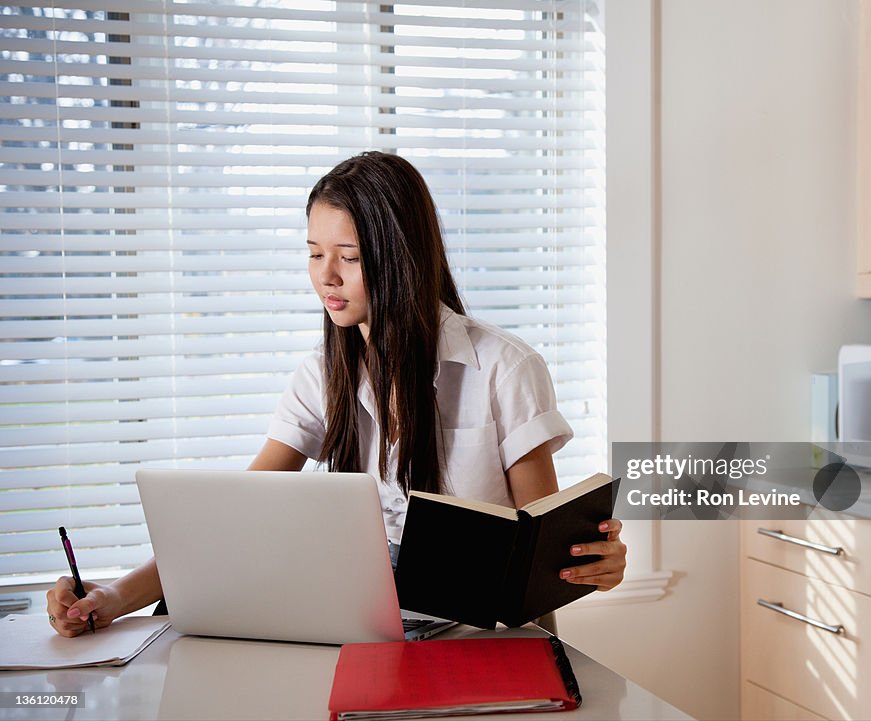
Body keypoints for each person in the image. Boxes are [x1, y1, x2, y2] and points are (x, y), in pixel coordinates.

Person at [47, 152, 627, 637]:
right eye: (313, 253)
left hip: (475, 639)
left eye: (348, 258)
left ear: (401, 255)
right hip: (360, 632)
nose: (326, 276)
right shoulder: (321, 375)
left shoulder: (504, 366)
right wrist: (116, 594)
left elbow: (536, 555)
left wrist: (589, 568)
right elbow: (235, 515)